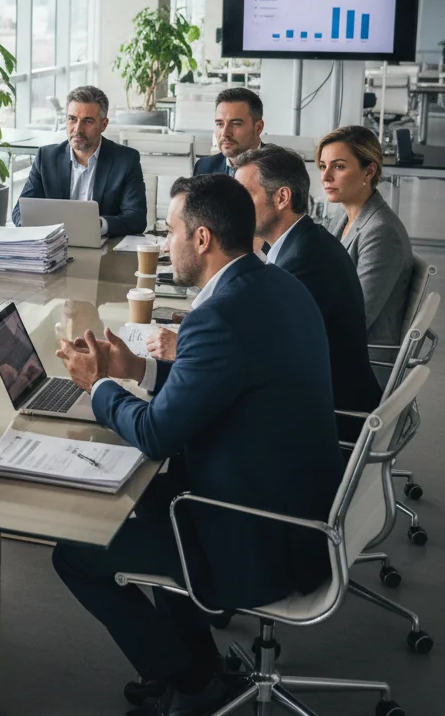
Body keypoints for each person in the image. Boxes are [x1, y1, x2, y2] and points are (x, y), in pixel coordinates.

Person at [54, 175, 342, 716]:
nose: (165, 245)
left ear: (203, 238)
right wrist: (137, 369)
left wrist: (99, 386)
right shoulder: (276, 284)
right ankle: (200, 666)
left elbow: (156, 434)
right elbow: (225, 379)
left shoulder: (218, 316)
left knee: (75, 555)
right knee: (148, 502)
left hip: (255, 534)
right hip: (297, 511)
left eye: (171, 231)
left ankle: (189, 680)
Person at [233, 145, 381, 435]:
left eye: (244, 196)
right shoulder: (306, 240)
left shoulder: (302, 264)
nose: (234, 208)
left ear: (282, 198)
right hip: (323, 399)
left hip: (329, 421)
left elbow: (256, 353)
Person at [318, 125, 414, 364]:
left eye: (339, 167)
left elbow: (356, 318)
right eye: (322, 166)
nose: (325, 176)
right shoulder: (344, 216)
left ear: (369, 171)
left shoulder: (381, 233)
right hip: (335, 347)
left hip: (360, 362)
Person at [11, 85, 146, 236]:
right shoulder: (46, 158)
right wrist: (40, 229)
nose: (77, 129)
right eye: (72, 119)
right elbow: (19, 212)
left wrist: (97, 225)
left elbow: (137, 218)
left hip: (104, 246)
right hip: (53, 244)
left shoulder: (126, 160)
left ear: (104, 124)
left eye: (88, 121)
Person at [193, 87, 264, 176]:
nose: (225, 133)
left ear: (258, 128)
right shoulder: (204, 167)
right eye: (220, 124)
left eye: (235, 124)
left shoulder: (280, 168)